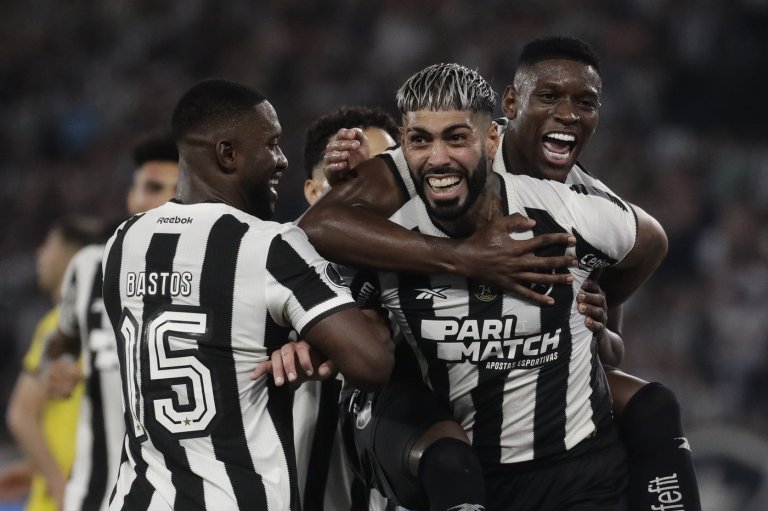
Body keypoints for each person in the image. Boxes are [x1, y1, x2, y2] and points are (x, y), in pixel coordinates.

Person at [320, 36, 701, 511]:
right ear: (509, 108)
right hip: (414, 390)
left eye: (585, 103)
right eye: (550, 96)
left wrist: (598, 306)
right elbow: (321, 228)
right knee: (447, 455)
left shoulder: (581, 206)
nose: (568, 114)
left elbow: (646, 255)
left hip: (533, 410)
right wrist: (464, 257)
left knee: (653, 406)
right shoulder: (435, 158)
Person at [101, 78, 393, 510]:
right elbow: (372, 362)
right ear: (228, 154)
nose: (282, 160)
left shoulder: (123, 243)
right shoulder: (269, 246)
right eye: (271, 144)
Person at [44, 135, 181, 511]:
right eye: (152, 187)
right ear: (130, 196)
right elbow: (61, 341)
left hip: (174, 496)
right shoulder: (89, 266)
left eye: (175, 189)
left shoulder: (214, 271)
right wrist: (58, 365)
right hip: (95, 494)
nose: (164, 200)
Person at [294, 105, 399, 511]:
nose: (370, 193)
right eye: (351, 177)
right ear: (313, 193)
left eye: (384, 175)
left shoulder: (426, 274)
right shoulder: (268, 267)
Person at [5, 216, 106, 511]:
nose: (40, 254)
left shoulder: (59, 327)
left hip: (65, 497)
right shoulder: (101, 323)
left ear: (70, 257)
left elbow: (21, 414)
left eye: (48, 245)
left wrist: (57, 483)